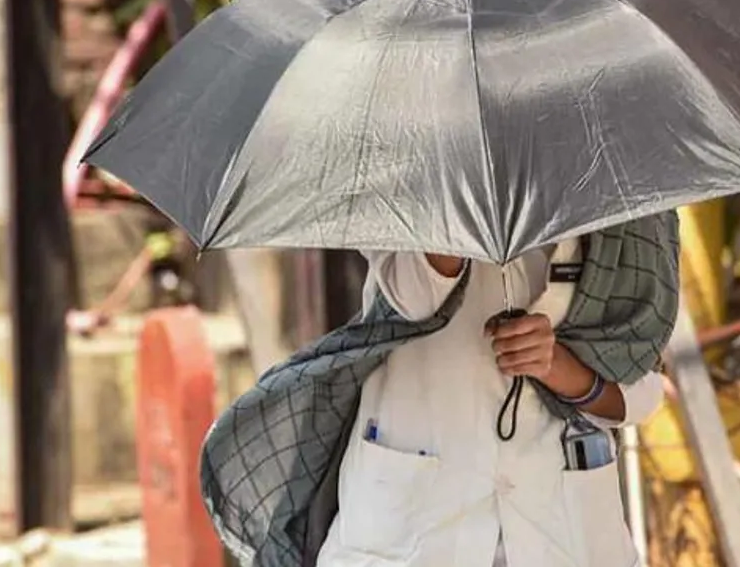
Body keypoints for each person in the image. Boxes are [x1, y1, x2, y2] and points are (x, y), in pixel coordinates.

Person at [200, 213, 679, 567]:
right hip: (414, 522)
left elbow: (642, 391)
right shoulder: (412, 164)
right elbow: (414, 300)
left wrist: (558, 367)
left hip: (564, 527)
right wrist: (459, 197)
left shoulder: (627, 205)